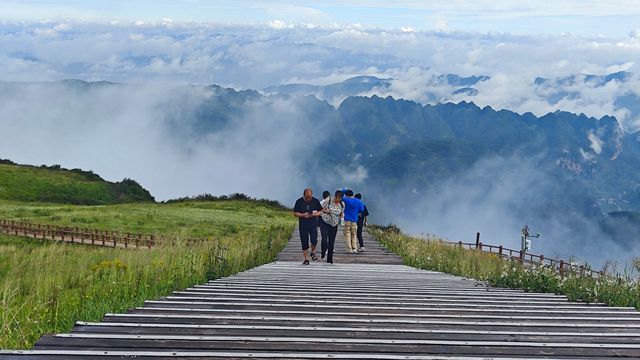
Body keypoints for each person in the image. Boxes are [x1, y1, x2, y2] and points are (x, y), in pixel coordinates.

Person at [293, 188, 323, 265]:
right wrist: (303, 215)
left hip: (313, 224)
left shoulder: (316, 201)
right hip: (303, 225)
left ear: (312, 195)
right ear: (304, 195)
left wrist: (315, 214)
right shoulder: (299, 201)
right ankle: (306, 259)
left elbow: (320, 211)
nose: (308, 199)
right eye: (307, 197)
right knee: (304, 242)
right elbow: (295, 213)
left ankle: (312, 252)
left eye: (310, 197)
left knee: (314, 241)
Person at [321, 190, 344, 264]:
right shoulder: (328, 200)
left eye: (339, 198)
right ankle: (323, 251)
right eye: (336, 197)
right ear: (334, 196)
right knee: (324, 239)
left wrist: (342, 218)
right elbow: (319, 207)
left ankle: (329, 260)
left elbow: (341, 213)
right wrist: (325, 211)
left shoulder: (342, 204)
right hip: (325, 222)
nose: (337, 199)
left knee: (331, 242)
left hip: (334, 224)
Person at [341, 189, 364, 253]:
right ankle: (354, 248)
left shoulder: (346, 200)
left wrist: (344, 190)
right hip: (354, 220)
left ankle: (349, 249)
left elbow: (341, 197)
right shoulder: (358, 201)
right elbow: (362, 210)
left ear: (347, 195)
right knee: (354, 234)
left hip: (347, 220)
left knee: (347, 234)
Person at [319, 190, 331, 259]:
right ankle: (329, 248)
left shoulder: (321, 202)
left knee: (324, 236)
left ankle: (323, 250)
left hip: (322, 221)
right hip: (330, 221)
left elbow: (317, 211)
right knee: (330, 236)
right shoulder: (331, 203)